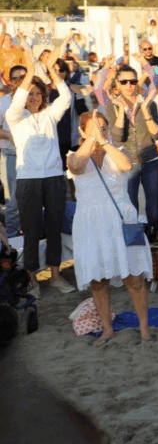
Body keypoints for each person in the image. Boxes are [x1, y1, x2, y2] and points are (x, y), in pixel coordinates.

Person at [66, 111, 153, 346]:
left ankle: (144, 330)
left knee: (134, 278)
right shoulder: (75, 155)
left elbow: (126, 166)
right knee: (98, 280)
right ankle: (107, 329)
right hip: (91, 225)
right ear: (82, 131)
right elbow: (75, 167)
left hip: (124, 220)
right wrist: (90, 140)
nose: (100, 130)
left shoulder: (119, 152)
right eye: (95, 127)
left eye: (103, 127)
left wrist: (103, 140)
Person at [6, 52, 73, 295]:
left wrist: (50, 67)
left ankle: (55, 276)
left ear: (44, 96)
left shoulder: (49, 115)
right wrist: (31, 69)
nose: (34, 97)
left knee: (55, 228)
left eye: (38, 93)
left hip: (54, 177)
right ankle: (32, 279)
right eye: (30, 94)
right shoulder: (14, 117)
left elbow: (65, 96)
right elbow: (19, 97)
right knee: (31, 231)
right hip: (28, 180)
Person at [106, 64, 158, 238]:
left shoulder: (148, 103)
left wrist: (145, 110)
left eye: (132, 81)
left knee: (154, 211)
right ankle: (134, 248)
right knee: (131, 210)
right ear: (117, 84)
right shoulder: (113, 106)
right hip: (128, 164)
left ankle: (154, 248)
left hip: (151, 161)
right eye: (124, 82)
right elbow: (117, 137)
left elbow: (157, 134)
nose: (129, 85)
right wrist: (122, 111)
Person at [0, 64, 26, 238]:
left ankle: (31, 233)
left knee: (32, 199)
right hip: (10, 155)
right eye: (16, 78)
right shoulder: (3, 102)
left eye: (23, 78)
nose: (20, 81)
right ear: (10, 82)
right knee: (13, 202)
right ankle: (13, 240)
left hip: (32, 156)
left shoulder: (34, 99)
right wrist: (10, 135)